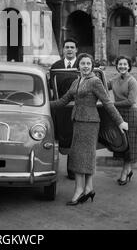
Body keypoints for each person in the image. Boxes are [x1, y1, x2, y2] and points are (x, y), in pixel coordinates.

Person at [50, 53, 128, 206]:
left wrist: (120, 122)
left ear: (92, 66)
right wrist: (43, 105)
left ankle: (80, 190)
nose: (85, 66)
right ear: (78, 66)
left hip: (90, 123)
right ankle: (88, 189)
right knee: (81, 157)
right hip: (78, 122)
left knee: (83, 157)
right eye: (82, 63)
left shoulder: (95, 81)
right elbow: (63, 101)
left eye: (88, 64)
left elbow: (107, 102)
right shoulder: (77, 81)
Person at [108, 56, 137, 185]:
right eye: (120, 64)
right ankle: (128, 170)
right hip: (118, 114)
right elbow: (102, 87)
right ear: (116, 66)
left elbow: (130, 101)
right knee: (121, 142)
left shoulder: (132, 81)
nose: (122, 66)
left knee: (129, 143)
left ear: (129, 66)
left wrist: (111, 104)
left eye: (125, 64)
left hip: (131, 114)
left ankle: (124, 172)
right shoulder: (114, 79)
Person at [50, 38, 79, 180]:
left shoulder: (83, 64)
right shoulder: (56, 66)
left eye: (72, 47)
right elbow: (51, 88)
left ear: (76, 50)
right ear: (63, 50)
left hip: (78, 109)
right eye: (67, 47)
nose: (69, 49)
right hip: (60, 109)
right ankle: (52, 168)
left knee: (75, 139)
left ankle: (72, 170)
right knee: (59, 138)